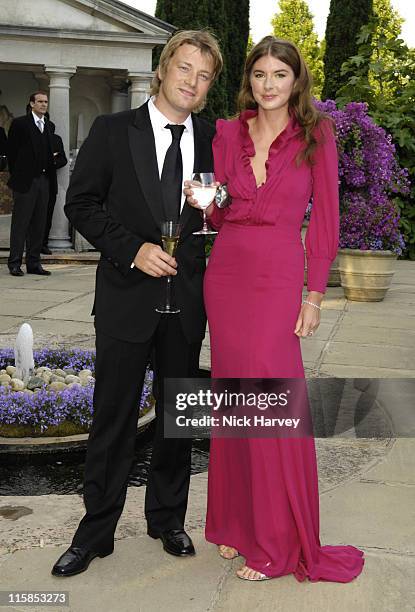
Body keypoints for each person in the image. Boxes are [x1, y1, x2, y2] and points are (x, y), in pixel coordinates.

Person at [185, 36, 365, 582]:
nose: (268, 85)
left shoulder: (316, 134)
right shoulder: (225, 133)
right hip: (228, 274)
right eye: (260, 74)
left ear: (296, 80)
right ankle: (237, 525)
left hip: (280, 277)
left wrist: (314, 295)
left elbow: (326, 221)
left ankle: (277, 540)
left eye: (279, 75)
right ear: (250, 80)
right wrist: (205, 200)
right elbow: (220, 214)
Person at [51, 30, 223, 578]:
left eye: (204, 76)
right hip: (127, 298)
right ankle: (96, 531)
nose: (192, 82)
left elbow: (220, 208)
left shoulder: (216, 138)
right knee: (113, 420)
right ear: (163, 68)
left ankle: (168, 518)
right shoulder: (111, 130)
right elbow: (80, 203)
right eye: (185, 68)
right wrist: (133, 250)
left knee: (179, 418)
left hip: (188, 303)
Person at [6, 91, 53, 276]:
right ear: (32, 104)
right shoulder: (19, 124)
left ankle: (34, 264)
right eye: (40, 101)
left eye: (46, 102)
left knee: (38, 224)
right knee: (21, 224)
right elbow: (12, 152)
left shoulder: (48, 125)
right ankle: (15, 263)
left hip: (43, 182)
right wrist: (19, 175)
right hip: (25, 182)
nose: (43, 104)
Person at [41, 119, 68, 254]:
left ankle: (43, 244)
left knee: (47, 215)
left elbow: (62, 159)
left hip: (50, 182)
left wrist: (50, 162)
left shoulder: (56, 139)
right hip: (31, 183)